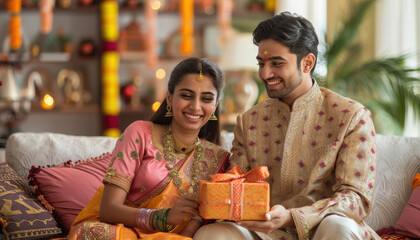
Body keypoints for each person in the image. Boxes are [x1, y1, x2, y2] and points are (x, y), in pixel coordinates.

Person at [194, 12, 380, 240]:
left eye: (276, 64)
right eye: (261, 64)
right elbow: (236, 185)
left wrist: (294, 217)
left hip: (324, 229)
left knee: (337, 227)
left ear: (307, 62)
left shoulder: (350, 116)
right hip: (266, 233)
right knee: (212, 234)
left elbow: (356, 199)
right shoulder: (250, 120)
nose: (264, 73)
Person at [68, 57, 230, 240]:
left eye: (206, 99)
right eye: (186, 95)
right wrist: (162, 217)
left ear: (215, 106)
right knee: (95, 234)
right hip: (119, 230)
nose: (195, 106)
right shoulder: (140, 133)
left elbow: (188, 232)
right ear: (169, 98)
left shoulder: (215, 158)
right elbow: (108, 210)